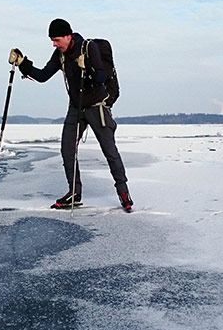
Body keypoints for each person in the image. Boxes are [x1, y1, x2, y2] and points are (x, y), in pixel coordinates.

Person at [8, 18, 133, 210]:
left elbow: (102, 77)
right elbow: (42, 76)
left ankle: (123, 192)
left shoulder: (88, 48)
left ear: (68, 36)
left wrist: (87, 67)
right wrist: (23, 63)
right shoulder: (60, 55)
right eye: (52, 40)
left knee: (109, 151)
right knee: (67, 149)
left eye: (57, 40)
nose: (54, 44)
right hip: (76, 108)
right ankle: (74, 193)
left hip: (96, 106)